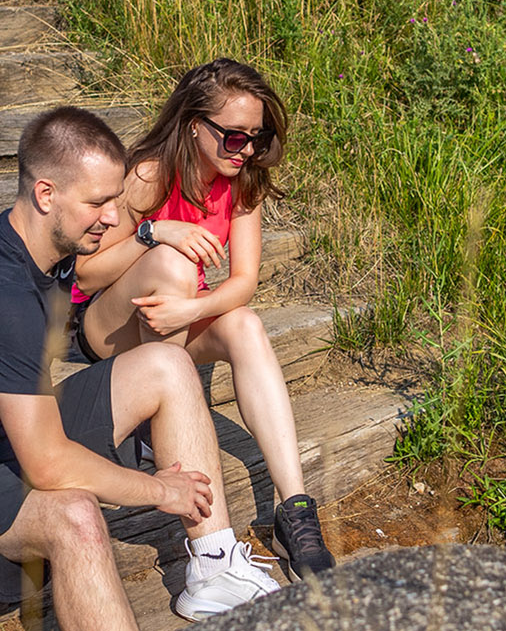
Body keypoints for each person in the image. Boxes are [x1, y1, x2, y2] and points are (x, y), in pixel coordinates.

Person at [0, 106, 280, 631]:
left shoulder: (51, 247)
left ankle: (212, 566)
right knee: (77, 514)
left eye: (115, 199)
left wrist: (154, 236)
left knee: (168, 365)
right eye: (97, 202)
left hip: (12, 427)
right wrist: (161, 490)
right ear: (45, 194)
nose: (113, 217)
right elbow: (49, 467)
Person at [70, 58, 336, 579]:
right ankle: (154, 420)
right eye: (233, 138)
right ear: (195, 125)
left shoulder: (242, 182)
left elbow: (244, 282)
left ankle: (296, 510)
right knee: (171, 262)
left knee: (248, 325)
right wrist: (154, 233)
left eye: (255, 138)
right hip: (110, 330)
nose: (247, 150)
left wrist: (193, 308)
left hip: (172, 318)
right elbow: (84, 275)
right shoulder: (149, 173)